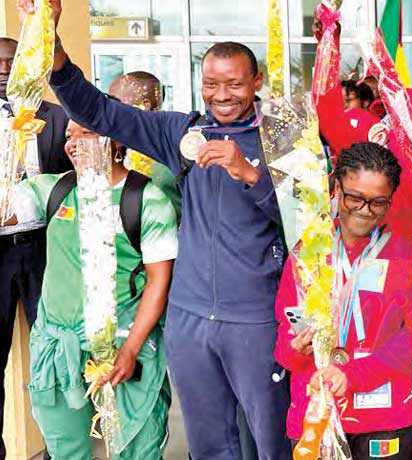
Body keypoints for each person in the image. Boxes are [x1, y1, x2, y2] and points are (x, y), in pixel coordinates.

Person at [23, 1, 293, 457]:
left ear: (257, 82)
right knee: (208, 442)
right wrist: (51, 41)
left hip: (254, 313)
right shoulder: (183, 132)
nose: (221, 95)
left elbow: (308, 222)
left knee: (270, 440)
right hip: (188, 316)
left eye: (234, 84)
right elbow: (101, 114)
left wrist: (250, 174)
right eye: (211, 84)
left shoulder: (284, 137)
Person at [2, 119, 176, 459]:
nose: (74, 143)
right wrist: (11, 151)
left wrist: (131, 348)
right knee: (67, 450)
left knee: (137, 446)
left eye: (87, 133)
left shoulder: (147, 199)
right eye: (69, 136)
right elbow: (6, 210)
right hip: (57, 349)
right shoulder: (53, 190)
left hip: (124, 345)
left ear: (116, 139)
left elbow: (159, 281)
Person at [274, 142, 412, 460]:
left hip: (385, 416)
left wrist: (354, 375)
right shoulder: (308, 252)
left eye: (378, 202)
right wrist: (294, 350)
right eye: (355, 198)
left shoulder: (406, 253)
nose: (364, 210)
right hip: (317, 413)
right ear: (336, 188)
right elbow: (284, 335)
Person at [0, 36, 70, 459]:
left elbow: (74, 178)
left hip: (47, 248)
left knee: (59, 349)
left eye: (13, 60)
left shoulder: (59, 117)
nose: (4, 68)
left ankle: (60, 446)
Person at [107, 71, 181, 214]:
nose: (112, 108)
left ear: (145, 105)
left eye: (116, 101)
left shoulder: (172, 145)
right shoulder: (115, 144)